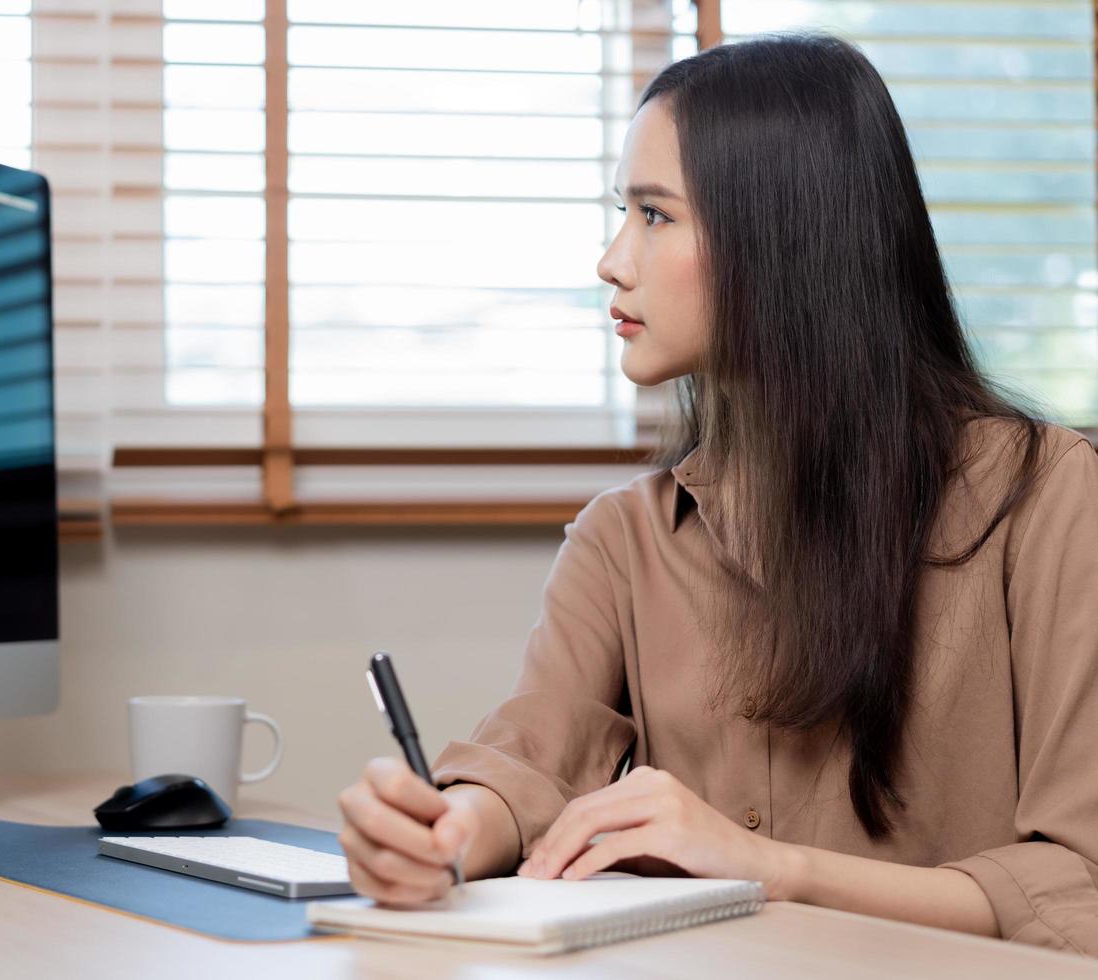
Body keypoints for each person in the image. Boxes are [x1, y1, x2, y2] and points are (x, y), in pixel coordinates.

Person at [335, 33, 1098, 955]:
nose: (613, 262)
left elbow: (1081, 882)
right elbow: (530, 760)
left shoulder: (1047, 497)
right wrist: (444, 837)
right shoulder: (622, 538)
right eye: (623, 213)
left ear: (783, 234)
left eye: (654, 216)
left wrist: (768, 866)